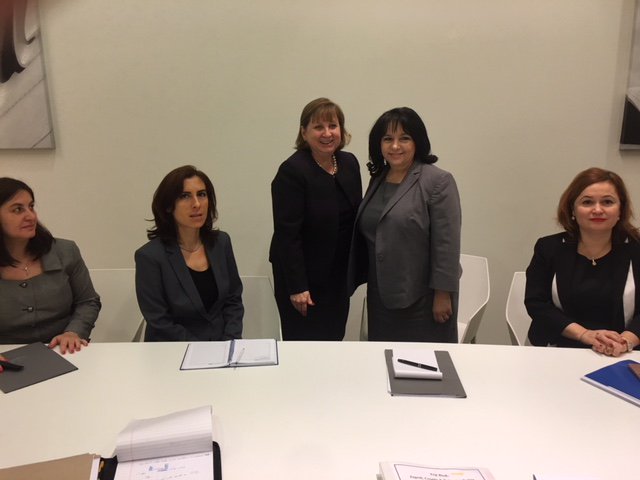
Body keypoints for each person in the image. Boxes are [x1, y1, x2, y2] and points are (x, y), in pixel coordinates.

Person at [348, 107, 461, 342]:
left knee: (421, 361)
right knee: (382, 357)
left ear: (417, 142)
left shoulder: (437, 181)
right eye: (388, 139)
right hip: (380, 295)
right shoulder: (379, 178)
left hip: (422, 298)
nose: (395, 146)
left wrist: (443, 294)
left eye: (404, 138)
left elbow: (446, 244)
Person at [269, 98, 362, 340]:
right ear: (304, 132)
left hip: (338, 277)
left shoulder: (349, 163)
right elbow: (287, 235)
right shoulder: (292, 172)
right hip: (304, 281)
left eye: (333, 126)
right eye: (318, 127)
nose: (327, 133)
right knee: (305, 345)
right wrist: (298, 286)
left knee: (334, 338)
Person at [525, 167, 640, 356]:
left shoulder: (636, 249)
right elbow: (537, 303)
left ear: (620, 209)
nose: (597, 209)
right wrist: (585, 334)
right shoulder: (549, 248)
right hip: (559, 348)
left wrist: (624, 341)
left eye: (607, 202)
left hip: (625, 352)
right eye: (587, 202)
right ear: (572, 209)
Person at [135, 165, 243, 341]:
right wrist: (202, 350)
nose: (197, 204)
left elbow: (233, 299)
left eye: (202, 194)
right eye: (185, 196)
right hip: (173, 349)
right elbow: (159, 320)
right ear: (168, 206)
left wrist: (230, 341)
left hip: (220, 345)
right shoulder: (150, 257)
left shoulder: (221, 242)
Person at [0, 177, 100, 353]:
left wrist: (73, 332)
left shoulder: (65, 251)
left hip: (61, 349)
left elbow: (87, 301)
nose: (31, 216)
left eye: (31, 207)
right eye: (18, 209)